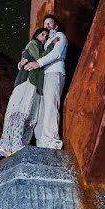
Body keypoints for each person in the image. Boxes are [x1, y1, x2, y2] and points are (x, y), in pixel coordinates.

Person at [0, 28, 51, 157]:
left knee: (30, 114)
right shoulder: (33, 44)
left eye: (46, 36)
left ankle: (16, 145)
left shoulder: (37, 47)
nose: (45, 37)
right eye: (42, 34)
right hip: (28, 81)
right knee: (22, 110)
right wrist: (51, 46)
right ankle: (12, 143)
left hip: (34, 83)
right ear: (36, 35)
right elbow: (38, 58)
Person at [23, 15, 67, 149]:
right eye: (45, 23)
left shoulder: (59, 36)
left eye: (50, 23)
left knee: (51, 105)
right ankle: (42, 142)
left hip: (54, 72)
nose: (47, 25)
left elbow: (56, 54)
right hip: (44, 76)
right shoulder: (45, 42)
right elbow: (32, 49)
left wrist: (38, 63)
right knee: (42, 109)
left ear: (55, 26)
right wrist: (24, 58)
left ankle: (52, 141)